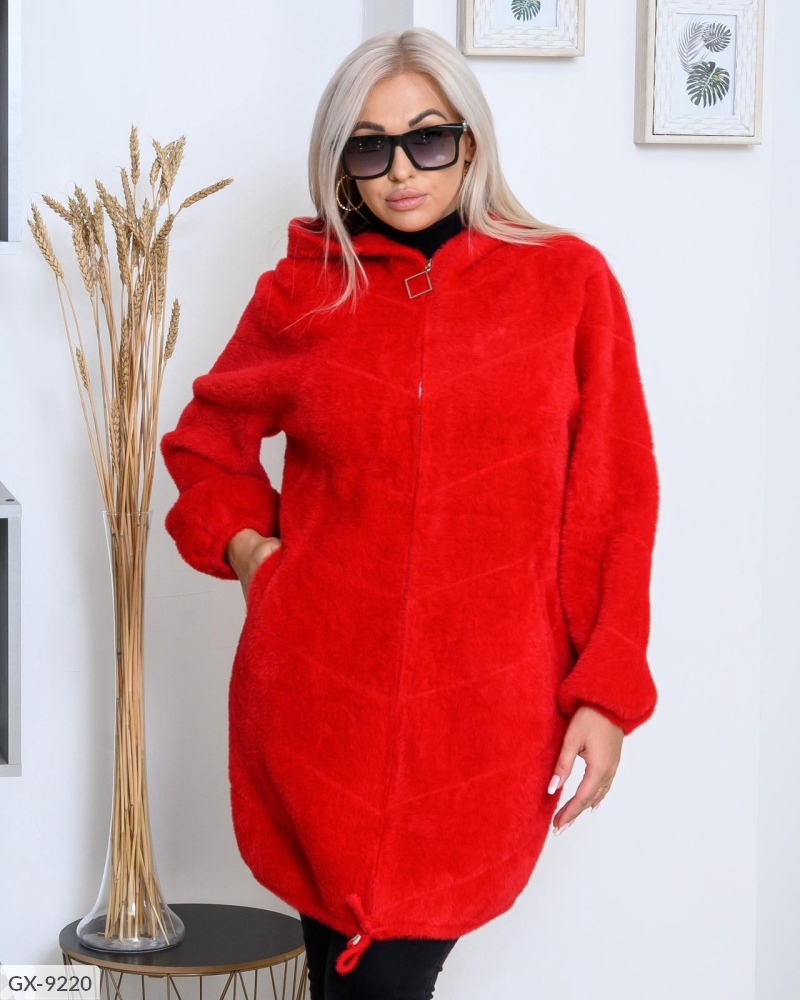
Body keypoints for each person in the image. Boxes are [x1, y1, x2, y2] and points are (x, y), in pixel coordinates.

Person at [160, 26, 660, 1000]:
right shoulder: (304, 291)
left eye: (428, 138)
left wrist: (604, 692)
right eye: (369, 145)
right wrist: (256, 555)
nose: (401, 169)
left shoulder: (567, 283)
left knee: (381, 977)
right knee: (346, 976)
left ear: (470, 144)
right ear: (340, 163)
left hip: (487, 716)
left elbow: (615, 500)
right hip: (318, 707)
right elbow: (203, 446)